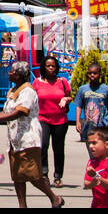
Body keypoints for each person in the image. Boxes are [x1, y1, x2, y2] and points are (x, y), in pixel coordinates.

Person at [0, 60, 64, 208]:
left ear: (19, 75)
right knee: (18, 177)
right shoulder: (13, 91)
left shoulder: (28, 91)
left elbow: (20, 111)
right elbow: (7, 111)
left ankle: (54, 198)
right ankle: (23, 205)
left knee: (33, 175)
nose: (9, 73)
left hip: (28, 139)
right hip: (15, 141)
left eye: (12, 71)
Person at [33, 55, 72, 186]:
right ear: (44, 67)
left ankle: (58, 176)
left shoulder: (62, 82)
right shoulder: (37, 83)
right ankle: (44, 174)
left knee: (59, 148)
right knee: (43, 146)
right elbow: (32, 99)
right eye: (48, 65)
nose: (51, 68)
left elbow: (69, 96)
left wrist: (65, 99)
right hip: (43, 118)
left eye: (53, 66)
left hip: (60, 120)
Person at [74, 61, 108, 142]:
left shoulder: (107, 89)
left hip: (104, 125)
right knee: (91, 149)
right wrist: (78, 121)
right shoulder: (83, 89)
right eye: (90, 73)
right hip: (88, 125)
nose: (92, 75)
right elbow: (79, 106)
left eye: (95, 73)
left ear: (100, 74)